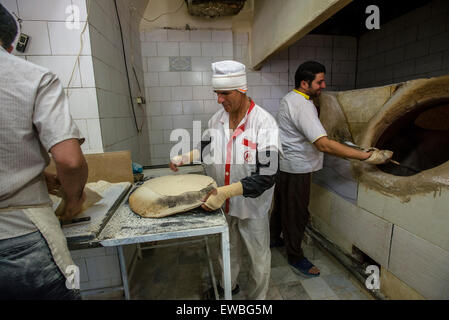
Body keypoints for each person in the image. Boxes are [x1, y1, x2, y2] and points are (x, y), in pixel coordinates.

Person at [169, 60, 282, 300]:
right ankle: (228, 289)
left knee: (258, 256)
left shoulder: (264, 123)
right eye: (216, 93)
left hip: (253, 207)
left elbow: (266, 176)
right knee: (226, 250)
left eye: (224, 93)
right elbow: (206, 147)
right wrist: (183, 158)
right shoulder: (216, 120)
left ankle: (257, 300)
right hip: (224, 204)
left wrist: (224, 192)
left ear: (242, 90)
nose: (219, 99)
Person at [270, 61, 393, 277]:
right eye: (319, 82)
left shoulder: (289, 98)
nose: (323, 85)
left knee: (282, 206)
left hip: (286, 165)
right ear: (304, 83)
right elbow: (323, 144)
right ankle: (295, 256)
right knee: (297, 213)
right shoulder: (302, 105)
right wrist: (367, 155)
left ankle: (274, 238)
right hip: (297, 169)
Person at [0, 4, 88, 299]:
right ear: (10, 45)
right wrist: (74, 199)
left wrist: (41, 177)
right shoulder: (31, 78)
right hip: (18, 238)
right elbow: (70, 161)